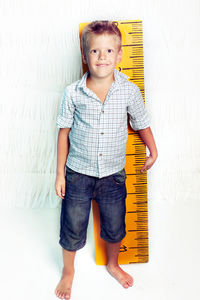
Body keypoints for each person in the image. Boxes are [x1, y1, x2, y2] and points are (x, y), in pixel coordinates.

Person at [54, 20, 158, 299]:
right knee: (72, 226)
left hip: (113, 175)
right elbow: (63, 134)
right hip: (78, 173)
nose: (102, 57)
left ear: (120, 54)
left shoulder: (129, 90)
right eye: (95, 51)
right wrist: (60, 174)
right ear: (85, 55)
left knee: (115, 226)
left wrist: (153, 150)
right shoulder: (73, 93)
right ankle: (68, 271)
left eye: (109, 51)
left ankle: (113, 264)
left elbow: (141, 122)